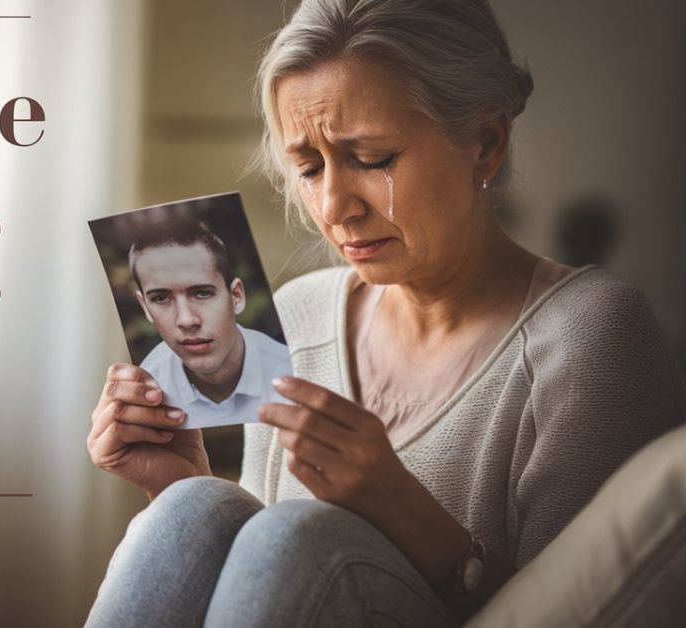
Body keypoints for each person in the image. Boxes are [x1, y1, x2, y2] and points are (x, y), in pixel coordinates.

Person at [83, 0, 686, 626]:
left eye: (372, 160)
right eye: (310, 168)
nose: (335, 207)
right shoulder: (297, 316)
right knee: (194, 508)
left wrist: (401, 508)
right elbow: (272, 591)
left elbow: (597, 611)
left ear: (485, 143)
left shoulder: (593, 334)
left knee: (295, 535)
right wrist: (181, 479)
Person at [128, 220, 293, 429]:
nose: (186, 320)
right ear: (145, 307)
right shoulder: (148, 389)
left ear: (236, 297)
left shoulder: (291, 371)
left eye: (202, 293)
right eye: (161, 298)